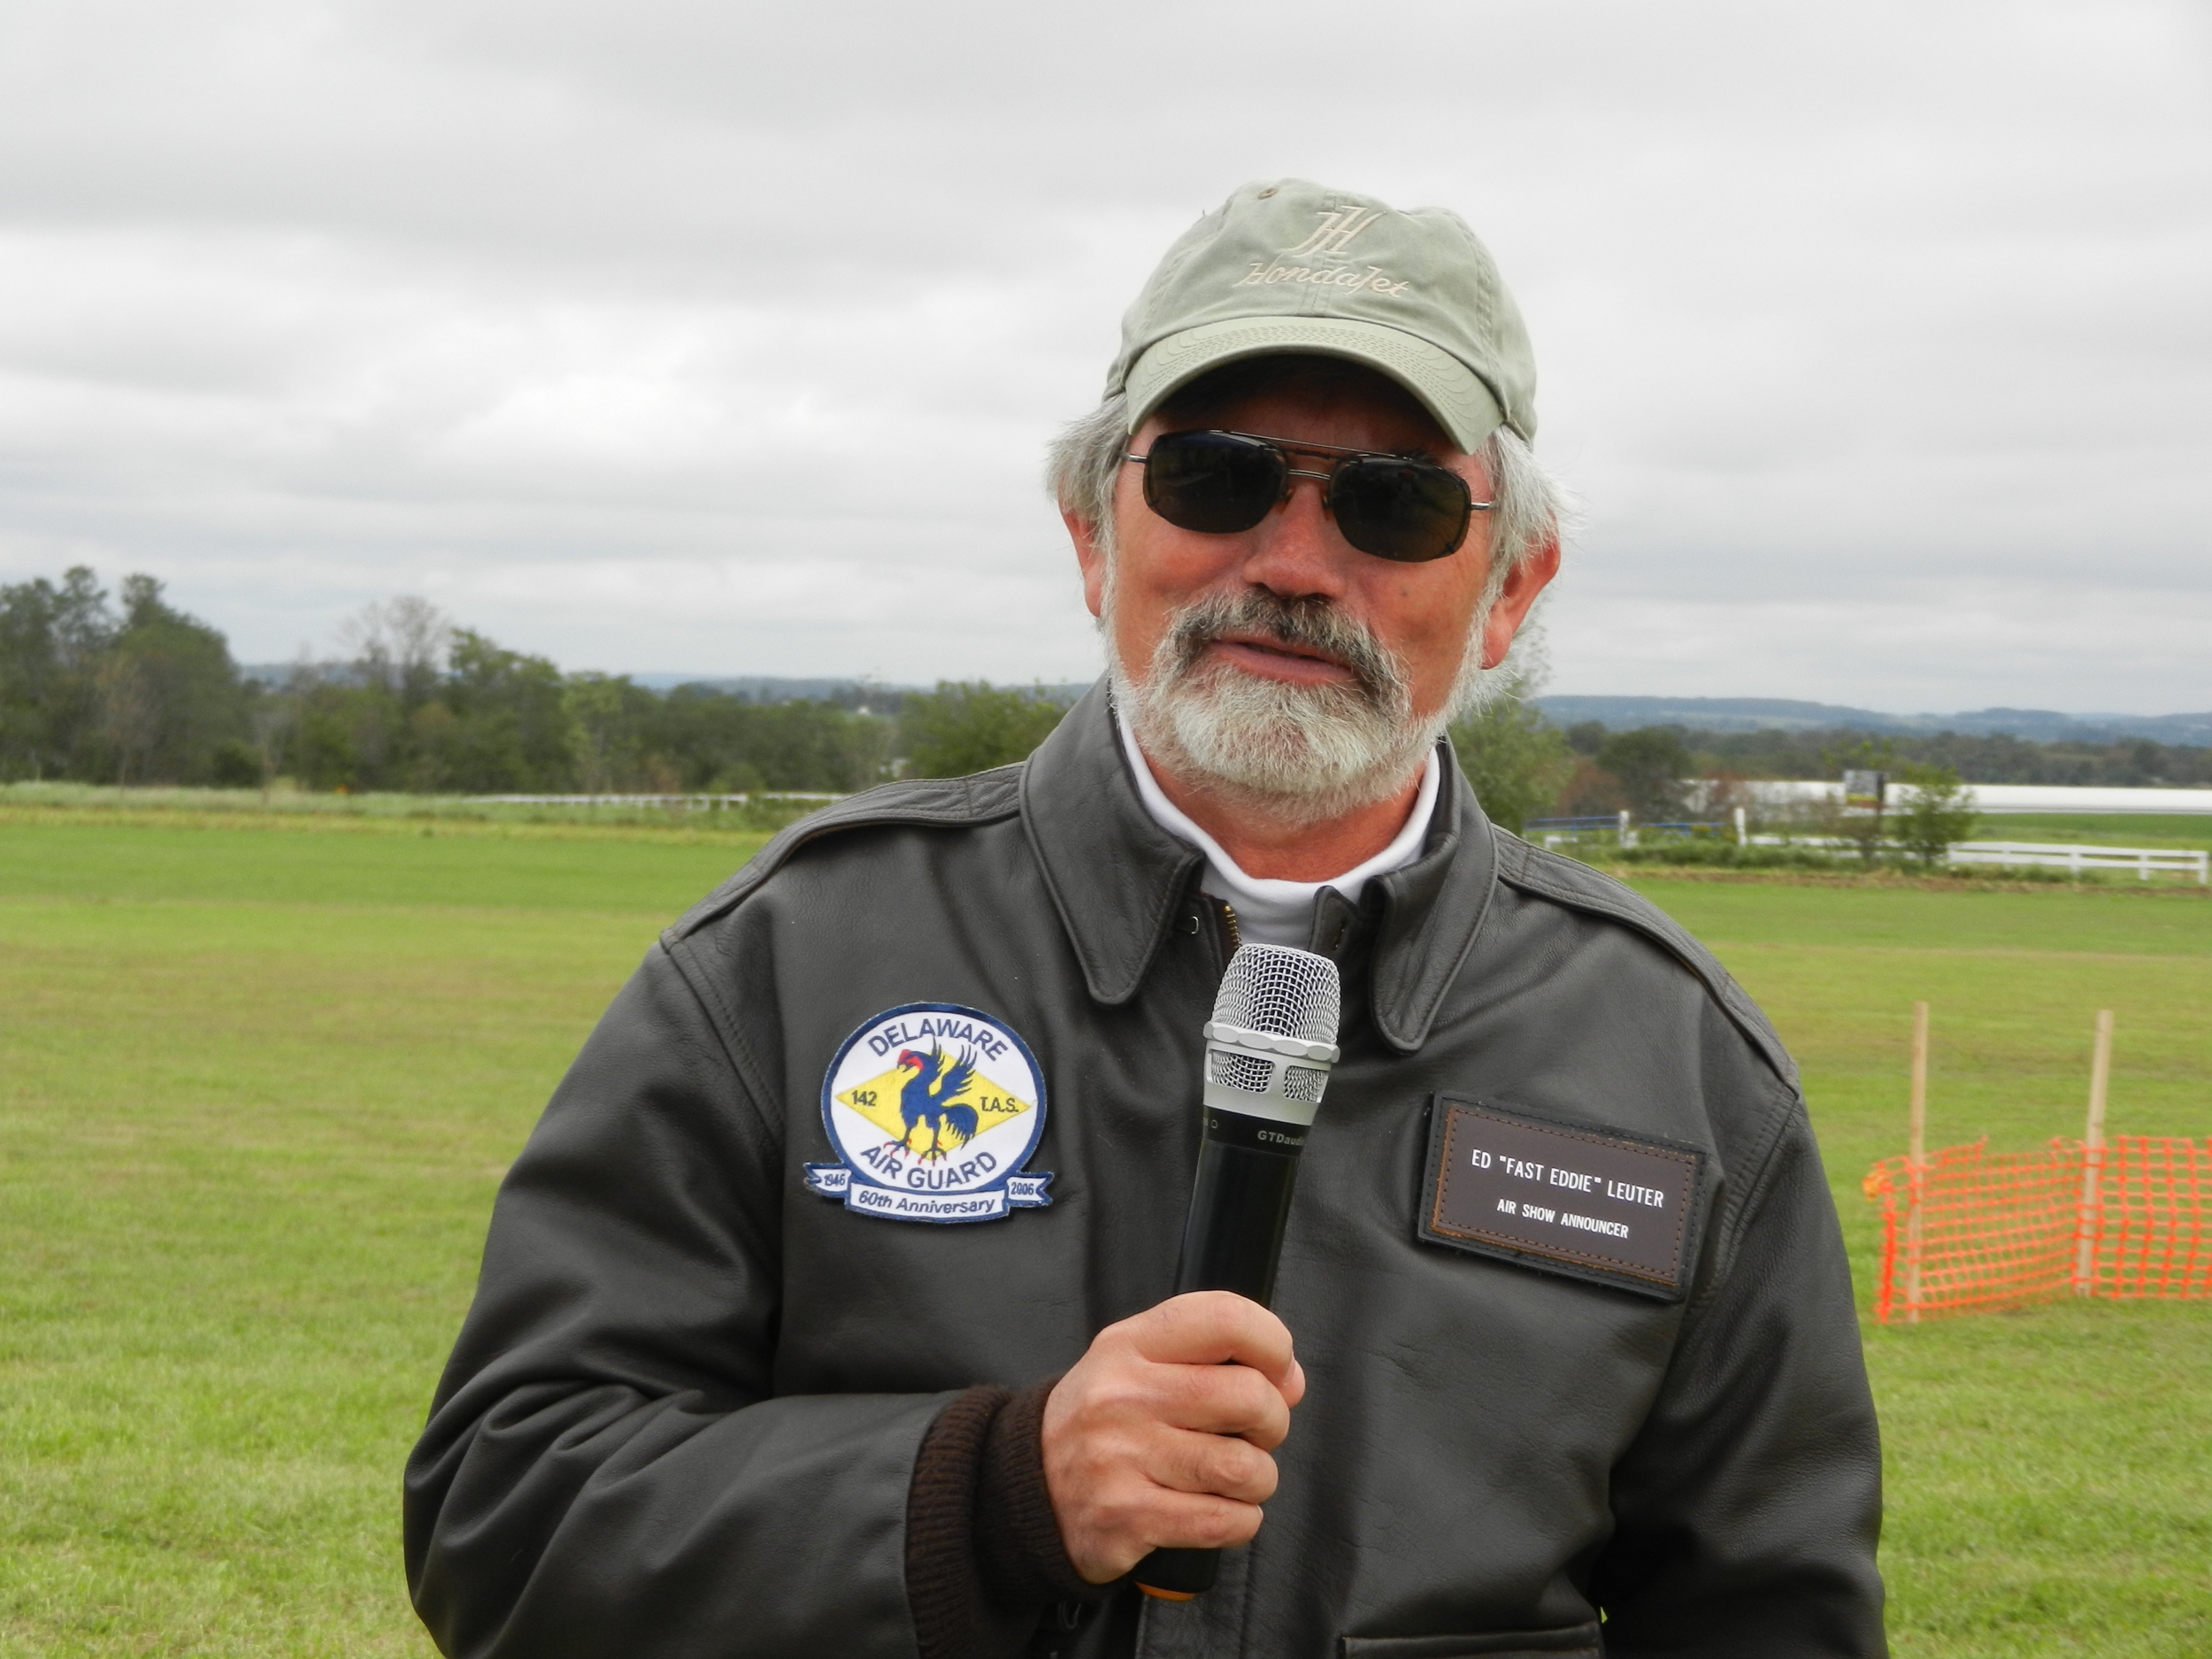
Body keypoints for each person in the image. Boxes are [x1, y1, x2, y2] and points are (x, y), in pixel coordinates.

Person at [406, 179, 1885, 1659]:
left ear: (1509, 589)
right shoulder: (790, 965)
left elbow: (1769, 1615)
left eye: (1396, 501)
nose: (1296, 564)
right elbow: (503, 1523)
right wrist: (988, 1498)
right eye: (1216, 477)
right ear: (1089, 529)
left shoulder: (1678, 1069)